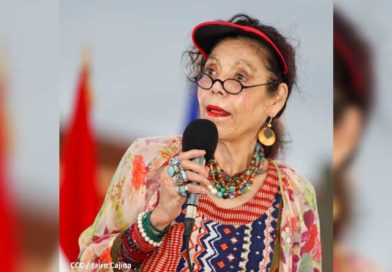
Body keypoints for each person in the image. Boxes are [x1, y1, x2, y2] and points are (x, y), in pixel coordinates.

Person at [74, 14, 322, 272]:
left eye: (239, 78)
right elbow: (83, 267)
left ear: (276, 99)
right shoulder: (147, 160)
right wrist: (156, 221)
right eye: (210, 72)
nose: (217, 87)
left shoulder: (294, 194)